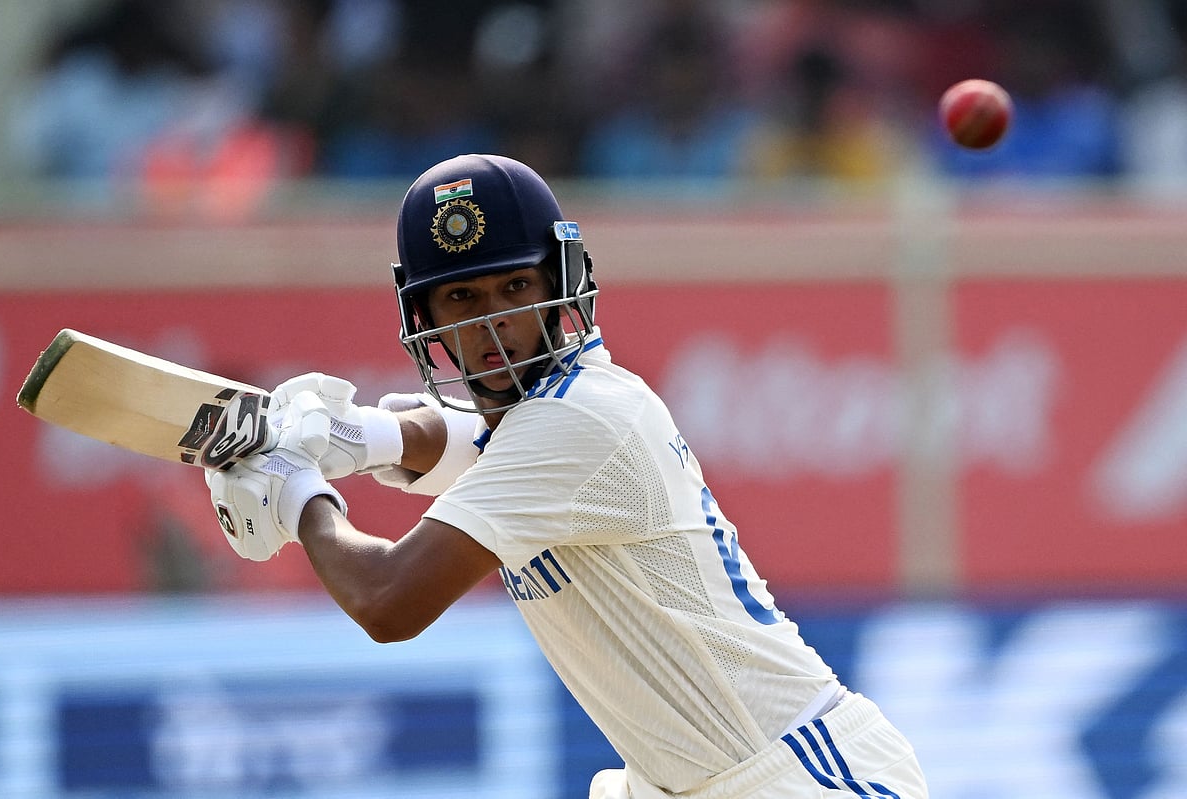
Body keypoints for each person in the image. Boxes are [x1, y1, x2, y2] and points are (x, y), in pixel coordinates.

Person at [205, 153, 929, 798]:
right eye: (462, 298)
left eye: (515, 287)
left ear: (562, 281)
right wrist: (357, 436)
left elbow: (388, 600)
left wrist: (299, 492)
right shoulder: (537, 423)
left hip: (797, 776)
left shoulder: (579, 418)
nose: (493, 322)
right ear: (422, 313)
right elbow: (465, 438)